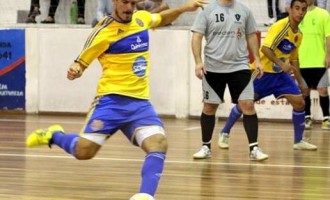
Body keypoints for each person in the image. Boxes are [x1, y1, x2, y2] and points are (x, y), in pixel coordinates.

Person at [25, 0, 208, 199]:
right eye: (124, 2)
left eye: (132, 3)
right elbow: (81, 61)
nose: (129, 8)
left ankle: (145, 196)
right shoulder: (103, 30)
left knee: (159, 143)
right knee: (84, 152)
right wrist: (76, 69)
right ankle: (54, 135)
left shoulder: (141, 19)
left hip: (139, 104)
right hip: (110, 102)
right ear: (114, 2)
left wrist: (184, 9)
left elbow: (162, 18)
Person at [218, 0, 318, 151]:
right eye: (297, 8)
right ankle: (224, 132)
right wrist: (282, 63)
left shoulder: (299, 35)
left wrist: (301, 82)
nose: (300, 12)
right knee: (244, 105)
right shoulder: (280, 27)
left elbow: (295, 59)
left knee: (299, 103)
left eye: (303, 9)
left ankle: (298, 141)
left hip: (280, 76)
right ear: (290, 9)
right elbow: (265, 49)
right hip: (262, 73)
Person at [191, 0, 269, 161]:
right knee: (209, 107)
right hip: (212, 67)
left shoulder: (244, 10)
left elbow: (251, 35)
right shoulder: (207, 10)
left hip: (239, 66)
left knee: (247, 104)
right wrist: (198, 61)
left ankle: (254, 148)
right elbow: (197, 37)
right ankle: (206, 146)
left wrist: (258, 60)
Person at [298, 0, 330, 130]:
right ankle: (307, 118)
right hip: (301, 61)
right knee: (304, 92)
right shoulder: (298, 15)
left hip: (319, 60)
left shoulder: (323, 14)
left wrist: (328, 55)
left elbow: (328, 36)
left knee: (323, 90)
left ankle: (326, 119)